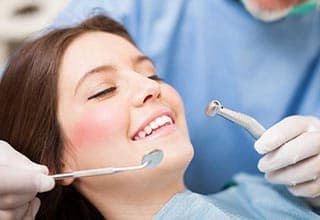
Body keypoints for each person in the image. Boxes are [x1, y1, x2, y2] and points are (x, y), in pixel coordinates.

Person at [0, 14, 319, 220]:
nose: (150, 89)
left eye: (152, 75)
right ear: (55, 166)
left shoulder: (263, 195)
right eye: (103, 90)